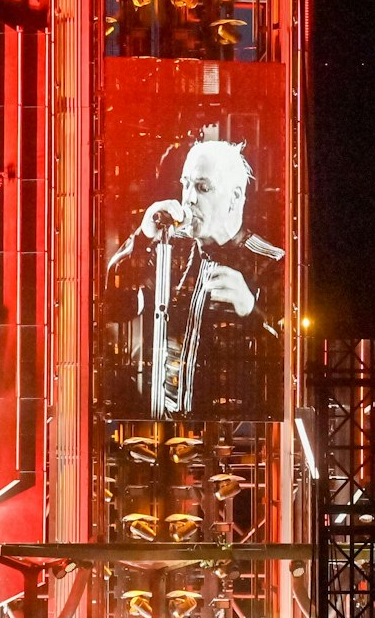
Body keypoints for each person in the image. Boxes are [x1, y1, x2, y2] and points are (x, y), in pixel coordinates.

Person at [106, 140, 283, 418]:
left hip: (238, 435)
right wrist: (143, 236)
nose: (189, 198)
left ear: (235, 197)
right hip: (165, 425)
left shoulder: (271, 264)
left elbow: (293, 362)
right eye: (185, 184)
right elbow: (115, 305)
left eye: (203, 188)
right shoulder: (171, 248)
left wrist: (251, 311)